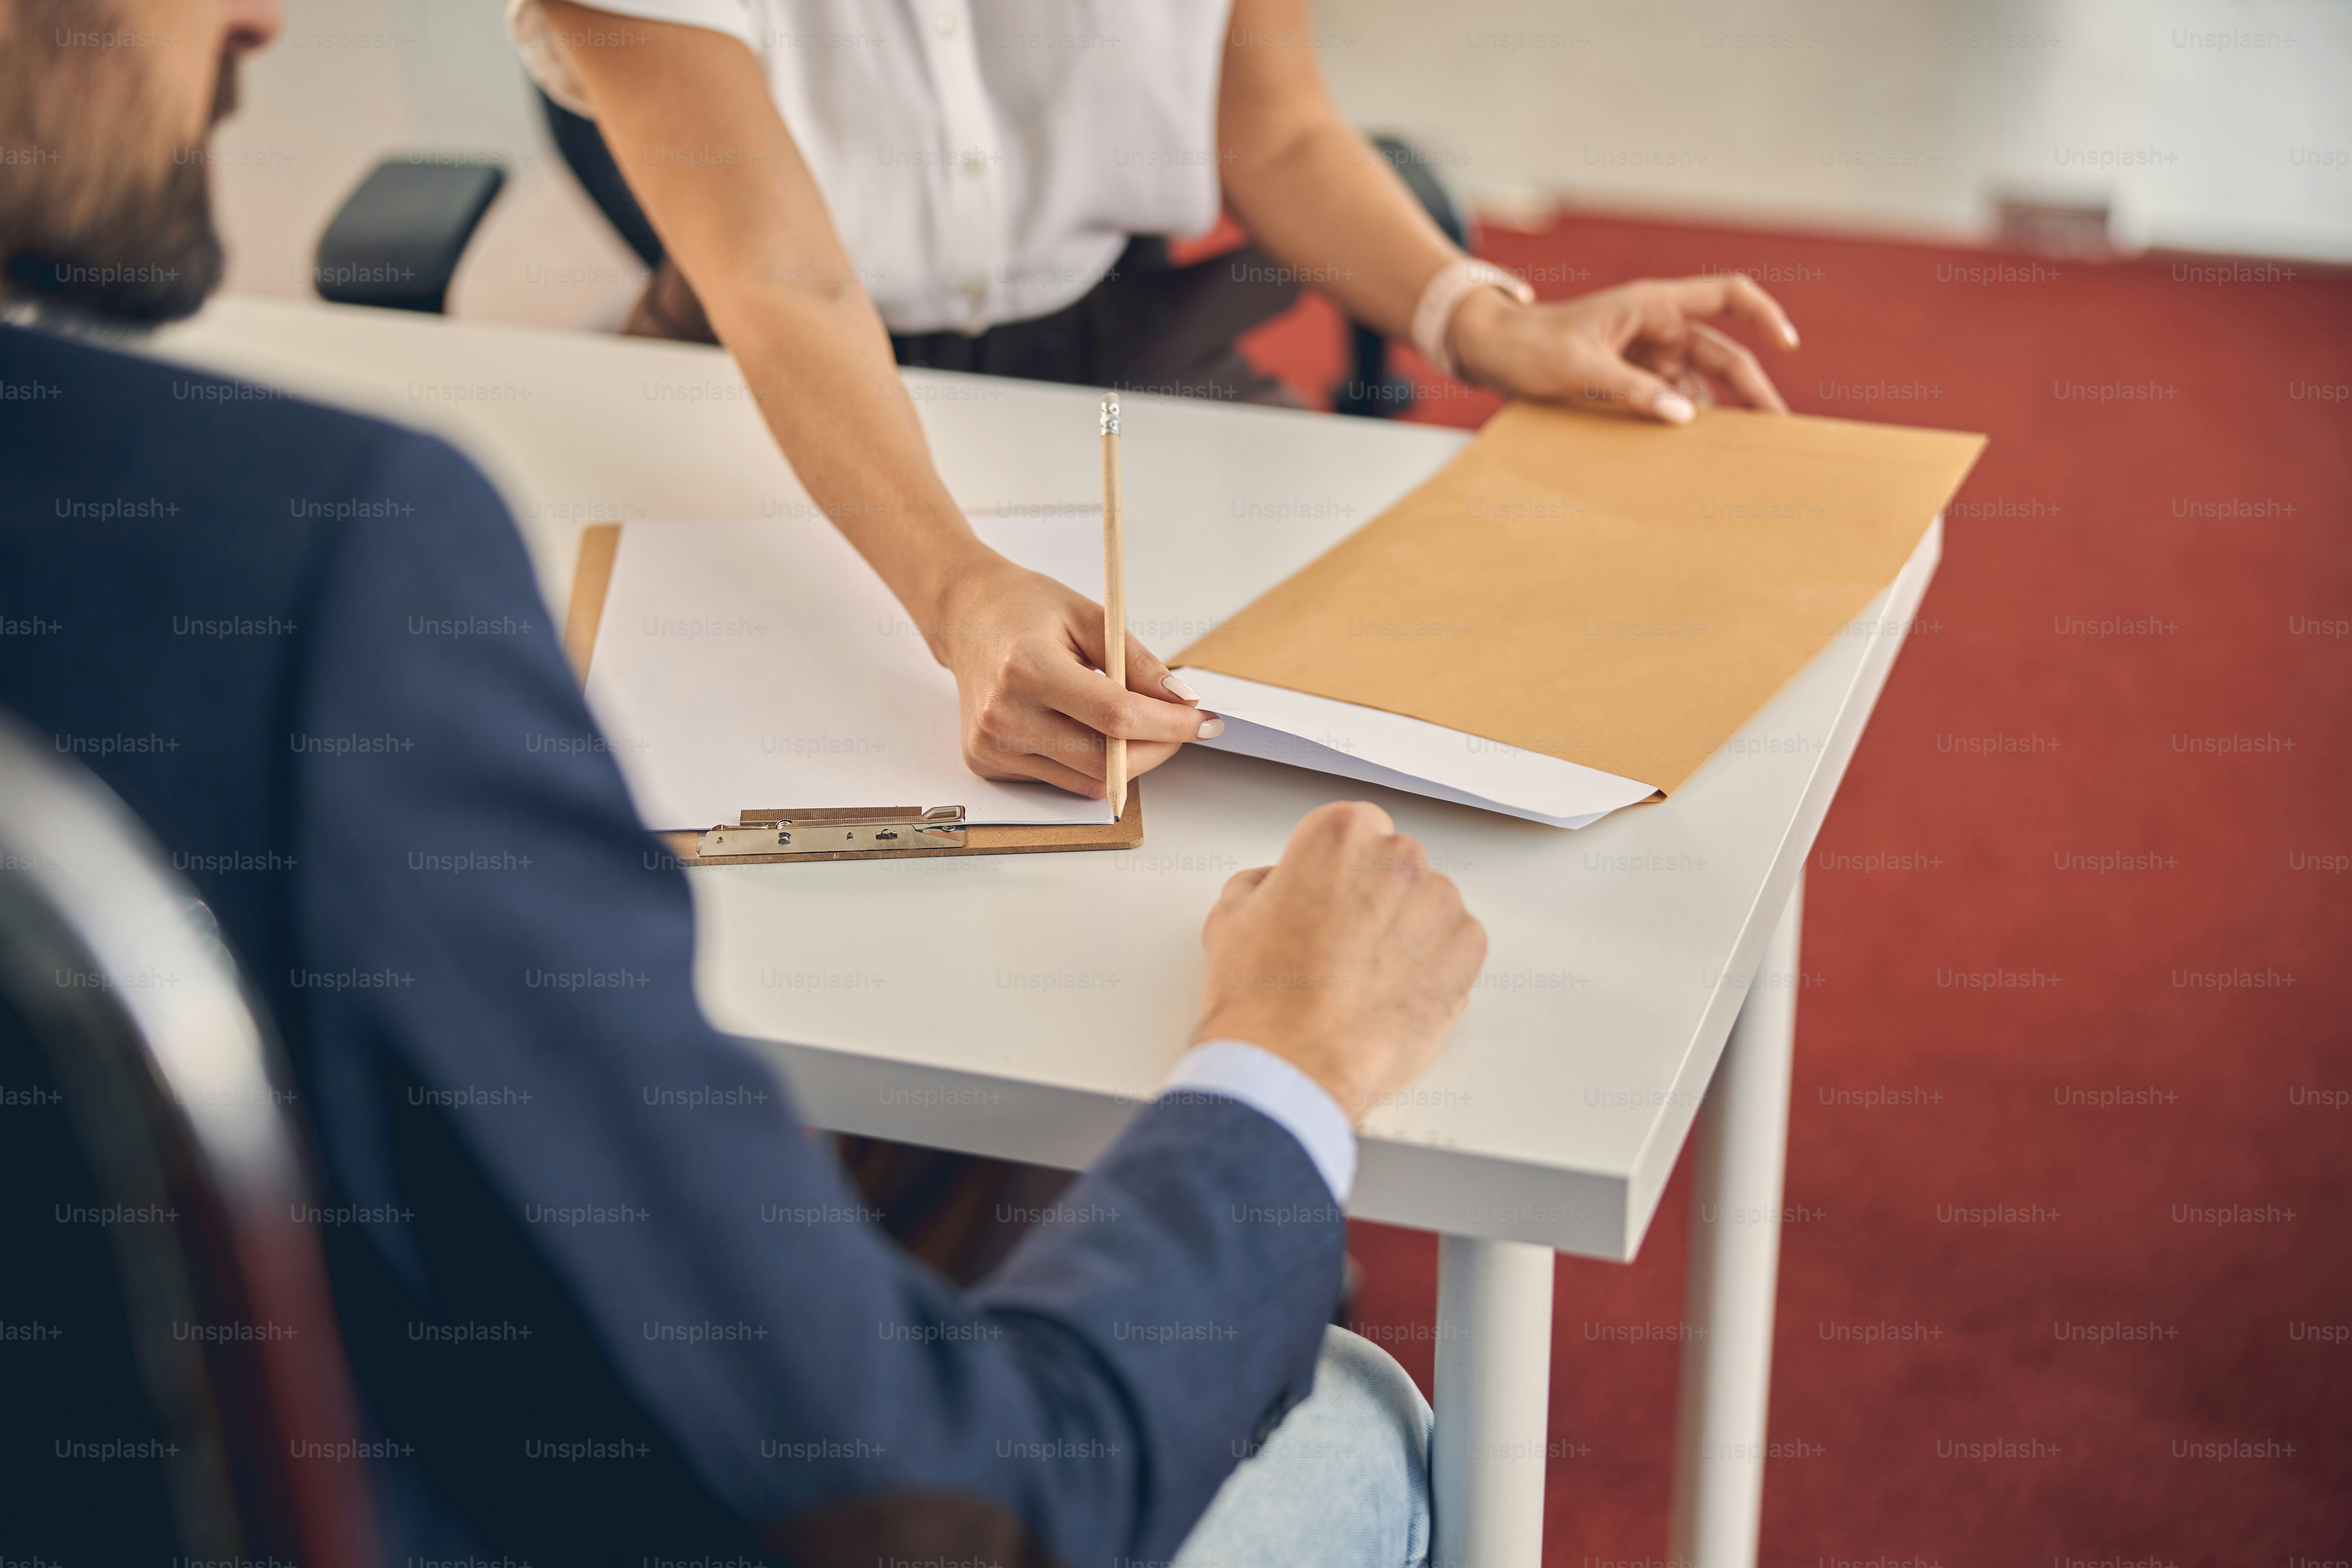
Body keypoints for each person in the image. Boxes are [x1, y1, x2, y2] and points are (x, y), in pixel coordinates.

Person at [0, 0, 1483, 1564]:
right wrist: (1284, 1066)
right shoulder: (315, 575)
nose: (260, 16)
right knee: (1352, 1425)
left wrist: (1467, 303)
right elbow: (940, 1507)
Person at [512, 0, 1805, 800]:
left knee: (1341, 719)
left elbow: (1277, 133)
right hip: (772, 359)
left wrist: (1485, 322)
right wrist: (955, 587)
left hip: (1124, 342)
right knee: (783, 800)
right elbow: (782, 278)